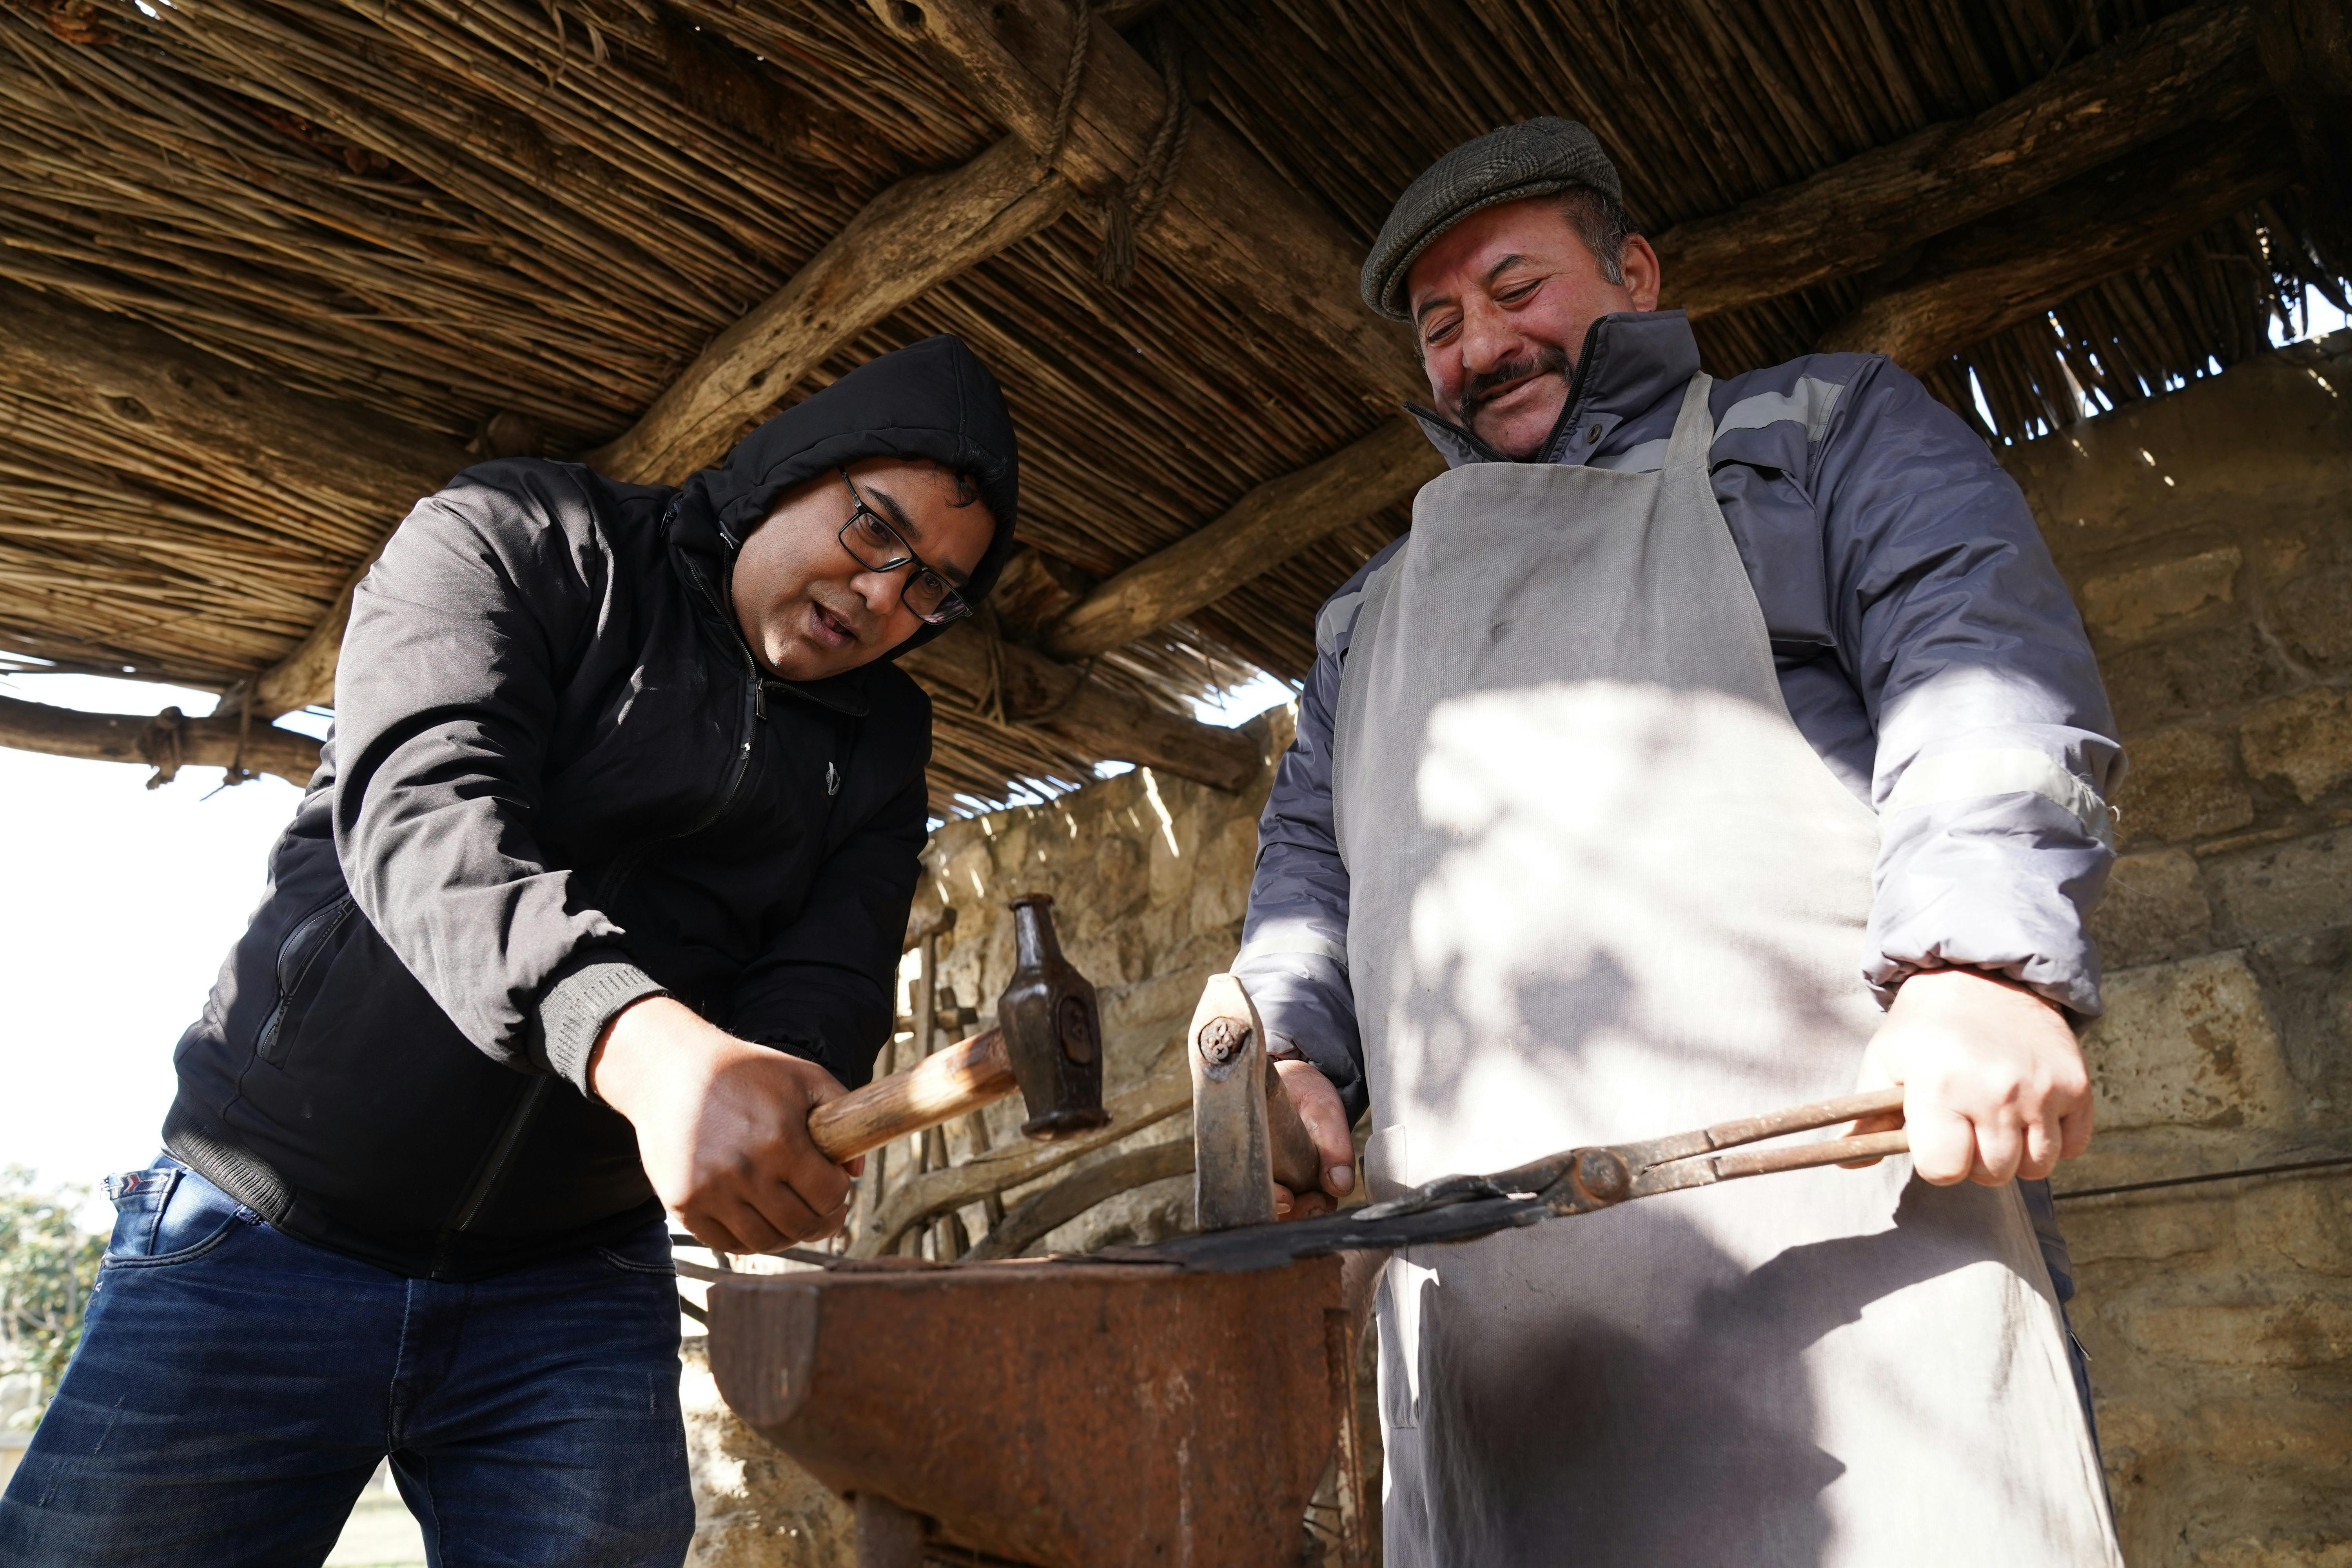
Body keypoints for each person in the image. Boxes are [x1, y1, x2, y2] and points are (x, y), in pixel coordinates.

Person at [1230, 118, 2125, 1563]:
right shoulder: (1364, 622)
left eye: (1517, 289)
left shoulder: (1815, 436)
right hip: (1494, 1357)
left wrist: (1977, 965)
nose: (1481, 347)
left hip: (1848, 1273)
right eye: (1442, 328)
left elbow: (1978, 661)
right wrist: (1285, 1062)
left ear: (1634, 275)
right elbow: (1309, 881)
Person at [0, 335, 1020, 1566]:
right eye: (874, 527)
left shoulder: (884, 738)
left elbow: (829, 972)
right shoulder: (517, 534)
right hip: (265, 1225)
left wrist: (783, 1102)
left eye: (933, 588)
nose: (884, 594)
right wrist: (649, 1054)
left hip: (571, 1283)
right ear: (794, 469)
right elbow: (426, 824)